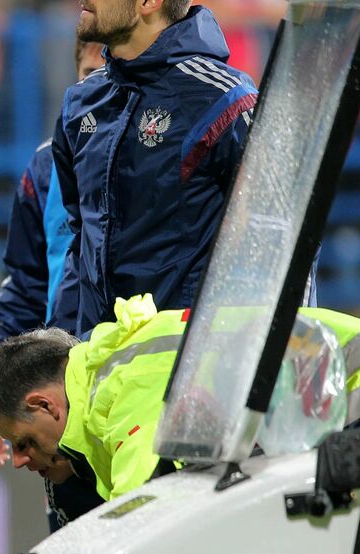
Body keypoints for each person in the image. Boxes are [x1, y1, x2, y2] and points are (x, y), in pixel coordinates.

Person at [0, 294, 360, 505]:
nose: (18, 461)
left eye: (23, 442)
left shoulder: (124, 387)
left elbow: (139, 514)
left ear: (44, 405)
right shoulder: (115, 367)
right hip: (359, 401)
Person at [52, 0, 257, 336]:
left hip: (184, 369)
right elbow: (81, 243)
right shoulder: (80, 104)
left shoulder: (225, 101)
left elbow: (282, 242)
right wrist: (66, 350)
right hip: (98, 368)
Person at [0, 40, 105, 529]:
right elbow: (27, 284)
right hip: (62, 401)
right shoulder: (44, 169)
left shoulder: (153, 150)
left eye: (109, 71)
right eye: (88, 75)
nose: (99, 87)